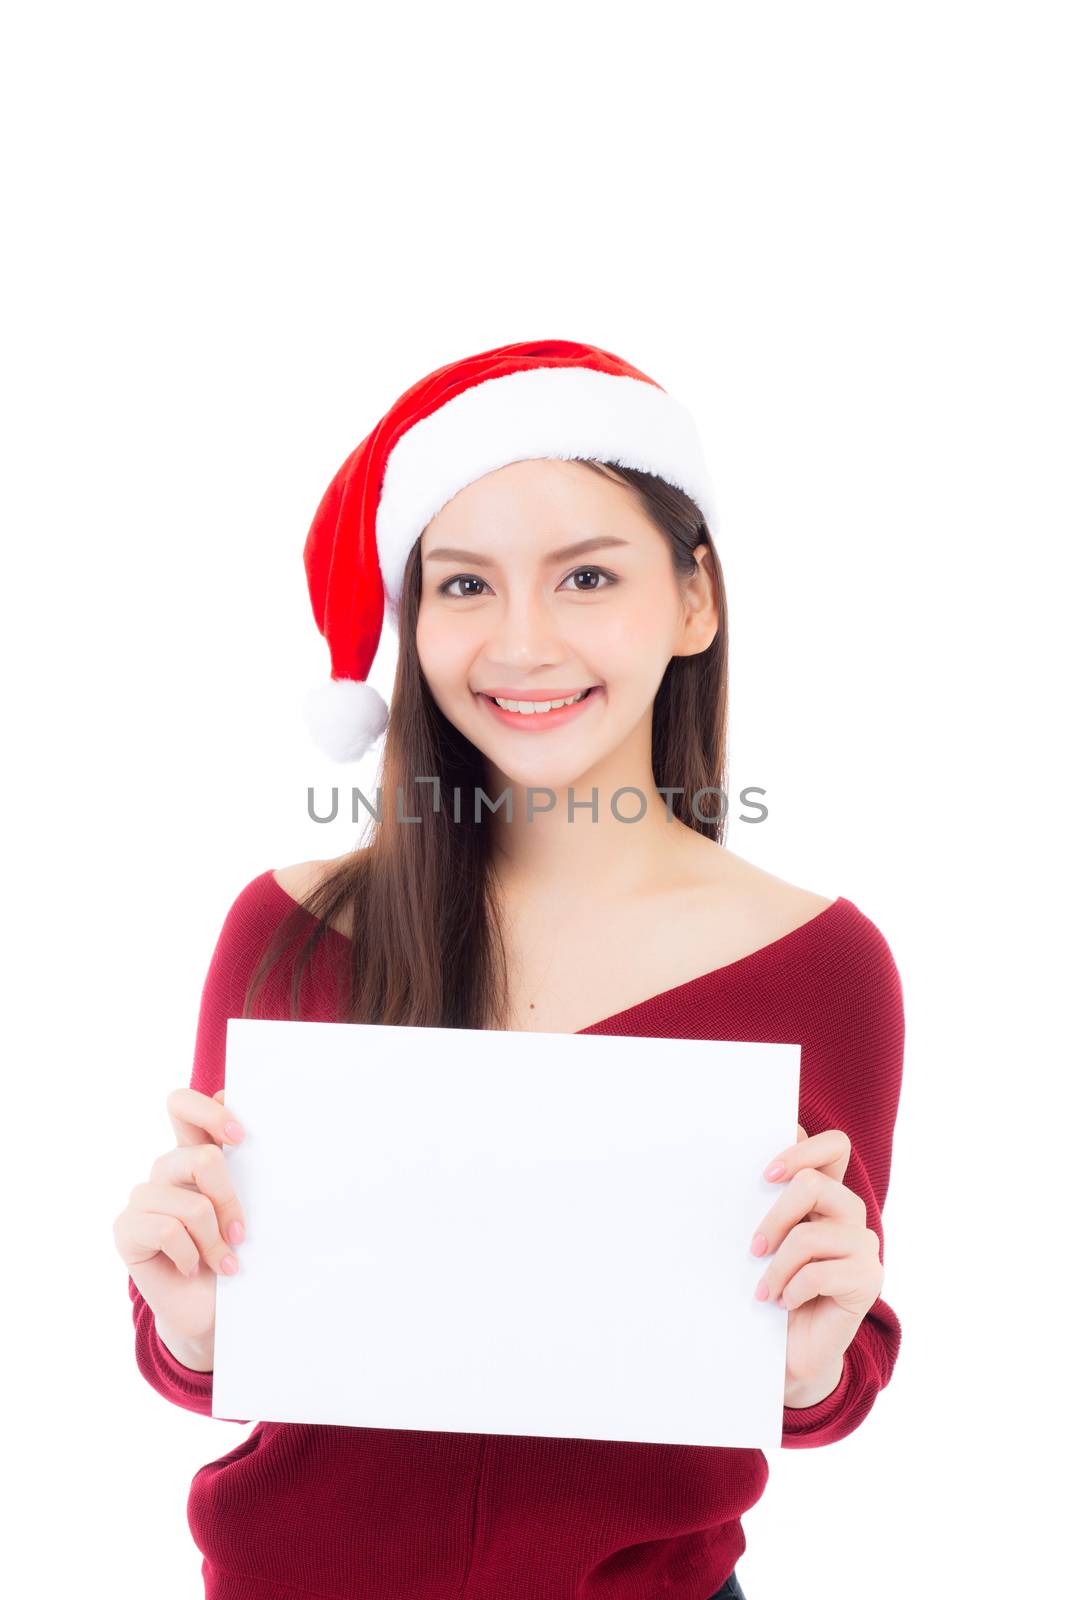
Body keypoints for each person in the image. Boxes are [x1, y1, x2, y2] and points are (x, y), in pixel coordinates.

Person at [113, 338, 905, 1600]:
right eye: (465, 586)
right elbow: (209, 1359)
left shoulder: (821, 963)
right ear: (414, 619)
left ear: (693, 599)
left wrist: (811, 1355)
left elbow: (828, 1372)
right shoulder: (282, 929)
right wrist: (193, 1320)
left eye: (585, 575)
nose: (521, 642)